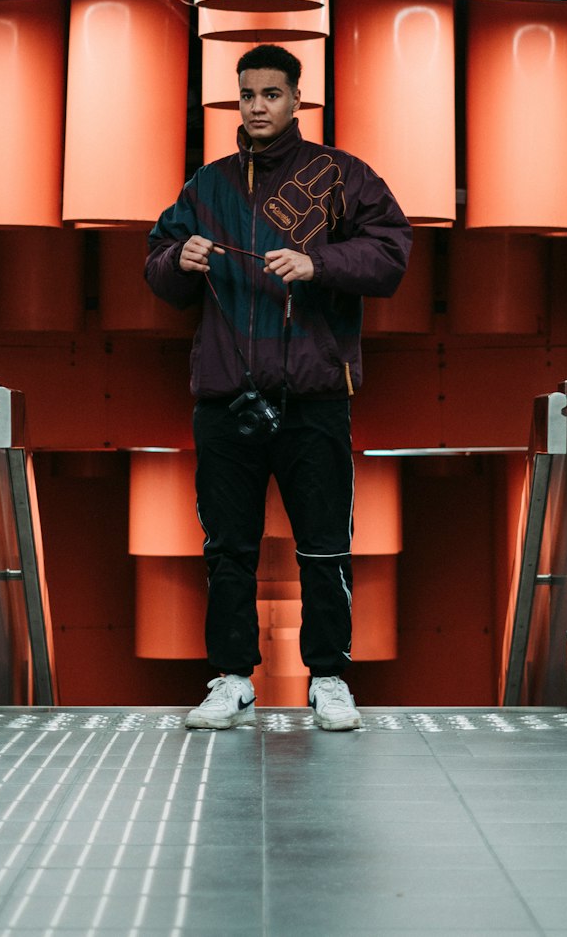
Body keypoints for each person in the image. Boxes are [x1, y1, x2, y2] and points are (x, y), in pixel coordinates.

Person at [145, 42, 411, 732]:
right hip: (226, 397)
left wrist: (317, 262)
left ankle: (329, 678)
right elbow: (157, 267)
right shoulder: (207, 187)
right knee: (228, 546)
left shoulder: (341, 177)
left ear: (298, 99)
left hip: (314, 396)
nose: (257, 106)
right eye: (247, 95)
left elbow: (390, 254)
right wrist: (181, 256)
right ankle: (233, 678)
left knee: (324, 542)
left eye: (270, 94)